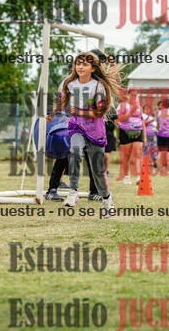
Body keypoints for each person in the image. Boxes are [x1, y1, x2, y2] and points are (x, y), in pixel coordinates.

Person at [58, 51, 122, 218]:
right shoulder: (69, 83)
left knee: (97, 172)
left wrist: (80, 111)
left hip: (95, 130)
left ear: (93, 68)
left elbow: (99, 112)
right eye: (78, 63)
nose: (80, 67)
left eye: (85, 64)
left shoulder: (98, 86)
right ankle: (73, 191)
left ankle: (107, 198)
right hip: (77, 126)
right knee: (75, 151)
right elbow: (64, 102)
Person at [116, 88, 144, 185]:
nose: (134, 97)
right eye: (132, 95)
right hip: (125, 131)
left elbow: (142, 120)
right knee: (126, 156)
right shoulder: (122, 105)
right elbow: (120, 119)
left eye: (135, 95)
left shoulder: (139, 106)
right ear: (128, 96)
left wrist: (144, 136)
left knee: (138, 153)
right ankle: (126, 176)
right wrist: (131, 111)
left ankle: (138, 176)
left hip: (138, 131)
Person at [156, 98, 169, 176]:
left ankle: (159, 170)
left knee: (160, 153)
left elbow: (158, 125)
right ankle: (168, 171)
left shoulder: (159, 113)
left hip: (161, 134)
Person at [141, 103, 158, 170]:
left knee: (154, 149)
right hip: (147, 134)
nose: (147, 110)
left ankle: (155, 164)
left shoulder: (151, 116)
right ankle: (143, 164)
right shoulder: (143, 115)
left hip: (154, 134)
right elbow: (143, 124)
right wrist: (151, 121)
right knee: (145, 149)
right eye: (145, 109)